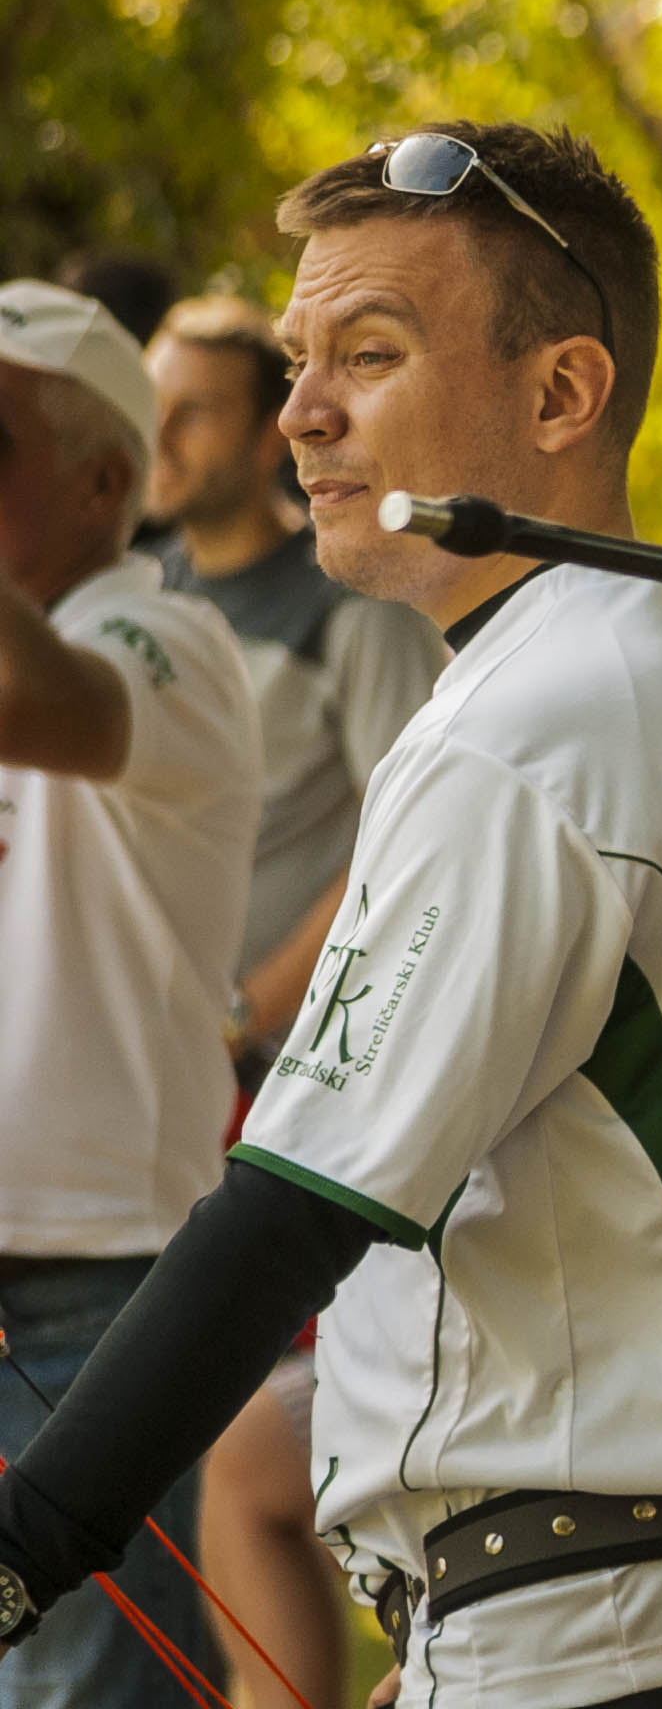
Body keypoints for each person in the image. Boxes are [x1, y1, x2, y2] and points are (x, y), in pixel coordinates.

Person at [0, 126, 662, 1707]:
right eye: (298, 360)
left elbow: (287, 1219)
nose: (303, 413)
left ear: (562, 395)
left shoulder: (527, 725)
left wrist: (23, 1548)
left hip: (623, 1626)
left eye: (369, 353)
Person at [143, 293, 450, 1709]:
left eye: (196, 411)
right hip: (150, 1082)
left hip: (281, 1081)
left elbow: (402, 837)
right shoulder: (144, 600)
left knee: (253, 1424)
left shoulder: (345, 606)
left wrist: (242, 1022)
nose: (167, 438)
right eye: (152, 408)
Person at [0, 279, 264, 1709]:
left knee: (85, 1694)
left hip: (95, 1281)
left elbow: (46, 706)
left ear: (108, 482)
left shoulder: (172, 643)